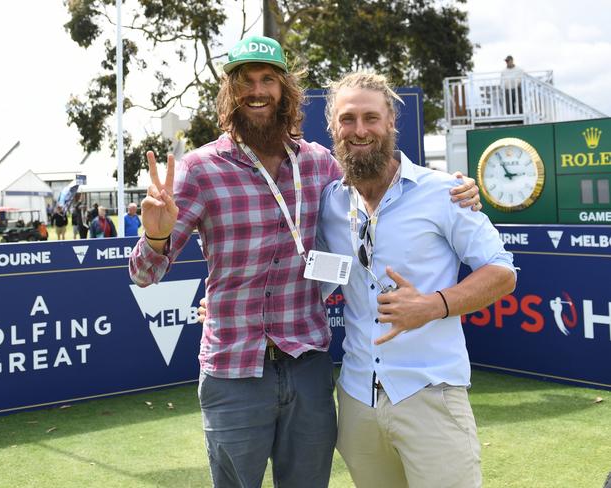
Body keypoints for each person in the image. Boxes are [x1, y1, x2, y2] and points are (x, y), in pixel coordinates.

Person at [129, 35, 480, 488]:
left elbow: (379, 185)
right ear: (231, 93)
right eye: (246, 81)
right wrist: (155, 234)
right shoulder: (199, 170)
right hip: (235, 369)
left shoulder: (320, 165)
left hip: (308, 365)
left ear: (285, 90)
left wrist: (456, 187)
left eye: (268, 80)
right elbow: (143, 274)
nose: (258, 90)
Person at [316, 72, 517, 488]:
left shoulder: (444, 191)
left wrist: (433, 305)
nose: (359, 130)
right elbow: (313, 275)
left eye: (370, 117)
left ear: (391, 121)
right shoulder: (330, 202)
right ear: (334, 126)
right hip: (357, 398)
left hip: (430, 392)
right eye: (347, 119)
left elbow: (501, 272)